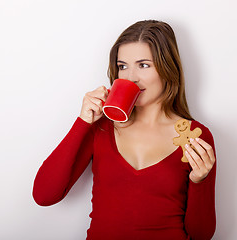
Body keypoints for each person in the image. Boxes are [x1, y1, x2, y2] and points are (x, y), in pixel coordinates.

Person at [33, 20, 217, 240]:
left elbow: (201, 235)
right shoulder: (100, 128)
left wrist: (200, 180)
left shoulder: (195, 136)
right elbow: (44, 196)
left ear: (167, 68)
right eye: (123, 66)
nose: (131, 77)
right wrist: (83, 122)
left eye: (144, 65)